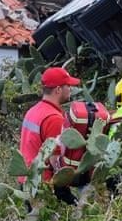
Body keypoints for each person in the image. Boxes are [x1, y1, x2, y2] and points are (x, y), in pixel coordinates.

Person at [19, 67, 81, 205]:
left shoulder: (33, 110)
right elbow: (55, 162)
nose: (71, 89)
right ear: (58, 90)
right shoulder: (54, 118)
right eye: (68, 85)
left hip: (26, 181)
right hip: (43, 187)